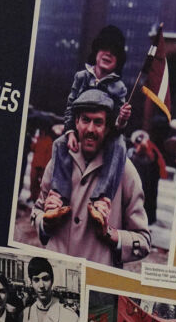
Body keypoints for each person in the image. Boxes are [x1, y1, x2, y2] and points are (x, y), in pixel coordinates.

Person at [33, 87, 152, 267]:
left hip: (96, 280)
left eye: (98, 122)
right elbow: (36, 212)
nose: (90, 129)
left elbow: (143, 241)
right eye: (85, 120)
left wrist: (108, 233)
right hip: (55, 274)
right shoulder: (59, 160)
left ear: (108, 127)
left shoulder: (125, 171)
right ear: (76, 122)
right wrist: (47, 221)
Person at [39, 25, 132, 231]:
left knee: (119, 145)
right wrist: (70, 130)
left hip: (105, 135)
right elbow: (71, 106)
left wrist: (122, 120)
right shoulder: (81, 77)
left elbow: (116, 124)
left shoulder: (120, 87)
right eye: (104, 49)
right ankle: (59, 198)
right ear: (96, 53)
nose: (108, 54)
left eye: (114, 52)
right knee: (60, 144)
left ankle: (101, 201)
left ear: (118, 60)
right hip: (79, 130)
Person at [21, 256, 78, 322]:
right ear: (31, 282)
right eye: (36, 280)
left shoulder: (71, 318)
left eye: (45, 279)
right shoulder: (24, 315)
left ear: (52, 280)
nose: (41, 285)